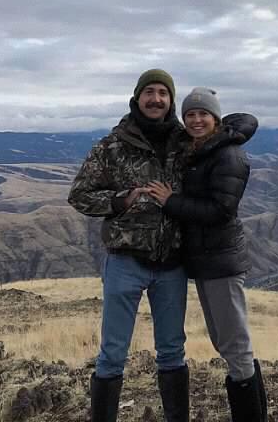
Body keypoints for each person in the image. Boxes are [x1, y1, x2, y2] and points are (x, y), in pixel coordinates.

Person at [67, 69, 190, 422]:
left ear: (171, 100)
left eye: (163, 92)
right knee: (112, 354)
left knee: (172, 352)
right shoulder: (112, 146)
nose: (156, 99)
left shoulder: (185, 144)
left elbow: (219, 142)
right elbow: (79, 195)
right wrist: (120, 200)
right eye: (149, 92)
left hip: (172, 263)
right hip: (125, 262)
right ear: (137, 98)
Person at [143, 87, 267, 422]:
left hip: (221, 262)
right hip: (208, 262)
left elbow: (220, 210)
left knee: (235, 346)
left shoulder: (228, 155)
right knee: (227, 344)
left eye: (203, 114)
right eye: (190, 115)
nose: (196, 120)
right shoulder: (201, 149)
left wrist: (171, 202)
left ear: (216, 118)